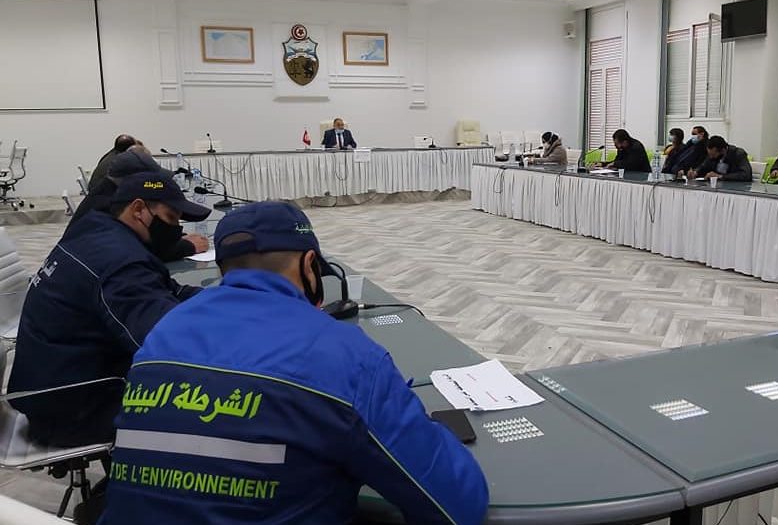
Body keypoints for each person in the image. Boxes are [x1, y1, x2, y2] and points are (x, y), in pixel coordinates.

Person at [99, 202, 489, 525]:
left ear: (223, 268)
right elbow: (456, 504)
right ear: (309, 265)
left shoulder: (164, 332)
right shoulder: (346, 357)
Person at [7, 172, 211, 447]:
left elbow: (166, 290)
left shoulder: (95, 231)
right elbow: (168, 345)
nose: (176, 229)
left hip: (46, 387)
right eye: (171, 218)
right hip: (72, 411)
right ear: (138, 209)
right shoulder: (121, 264)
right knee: (218, 399)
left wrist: (227, 299)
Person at [67, 145, 209, 260]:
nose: (156, 185)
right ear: (133, 182)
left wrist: (171, 236)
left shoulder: (107, 193)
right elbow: (132, 253)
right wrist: (186, 246)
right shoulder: (105, 209)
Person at [688, 135, 753, 182]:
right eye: (709, 154)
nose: (711, 157)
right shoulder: (712, 155)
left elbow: (746, 175)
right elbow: (704, 166)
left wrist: (720, 176)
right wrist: (695, 172)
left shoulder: (738, 154)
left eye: (713, 155)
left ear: (723, 150)